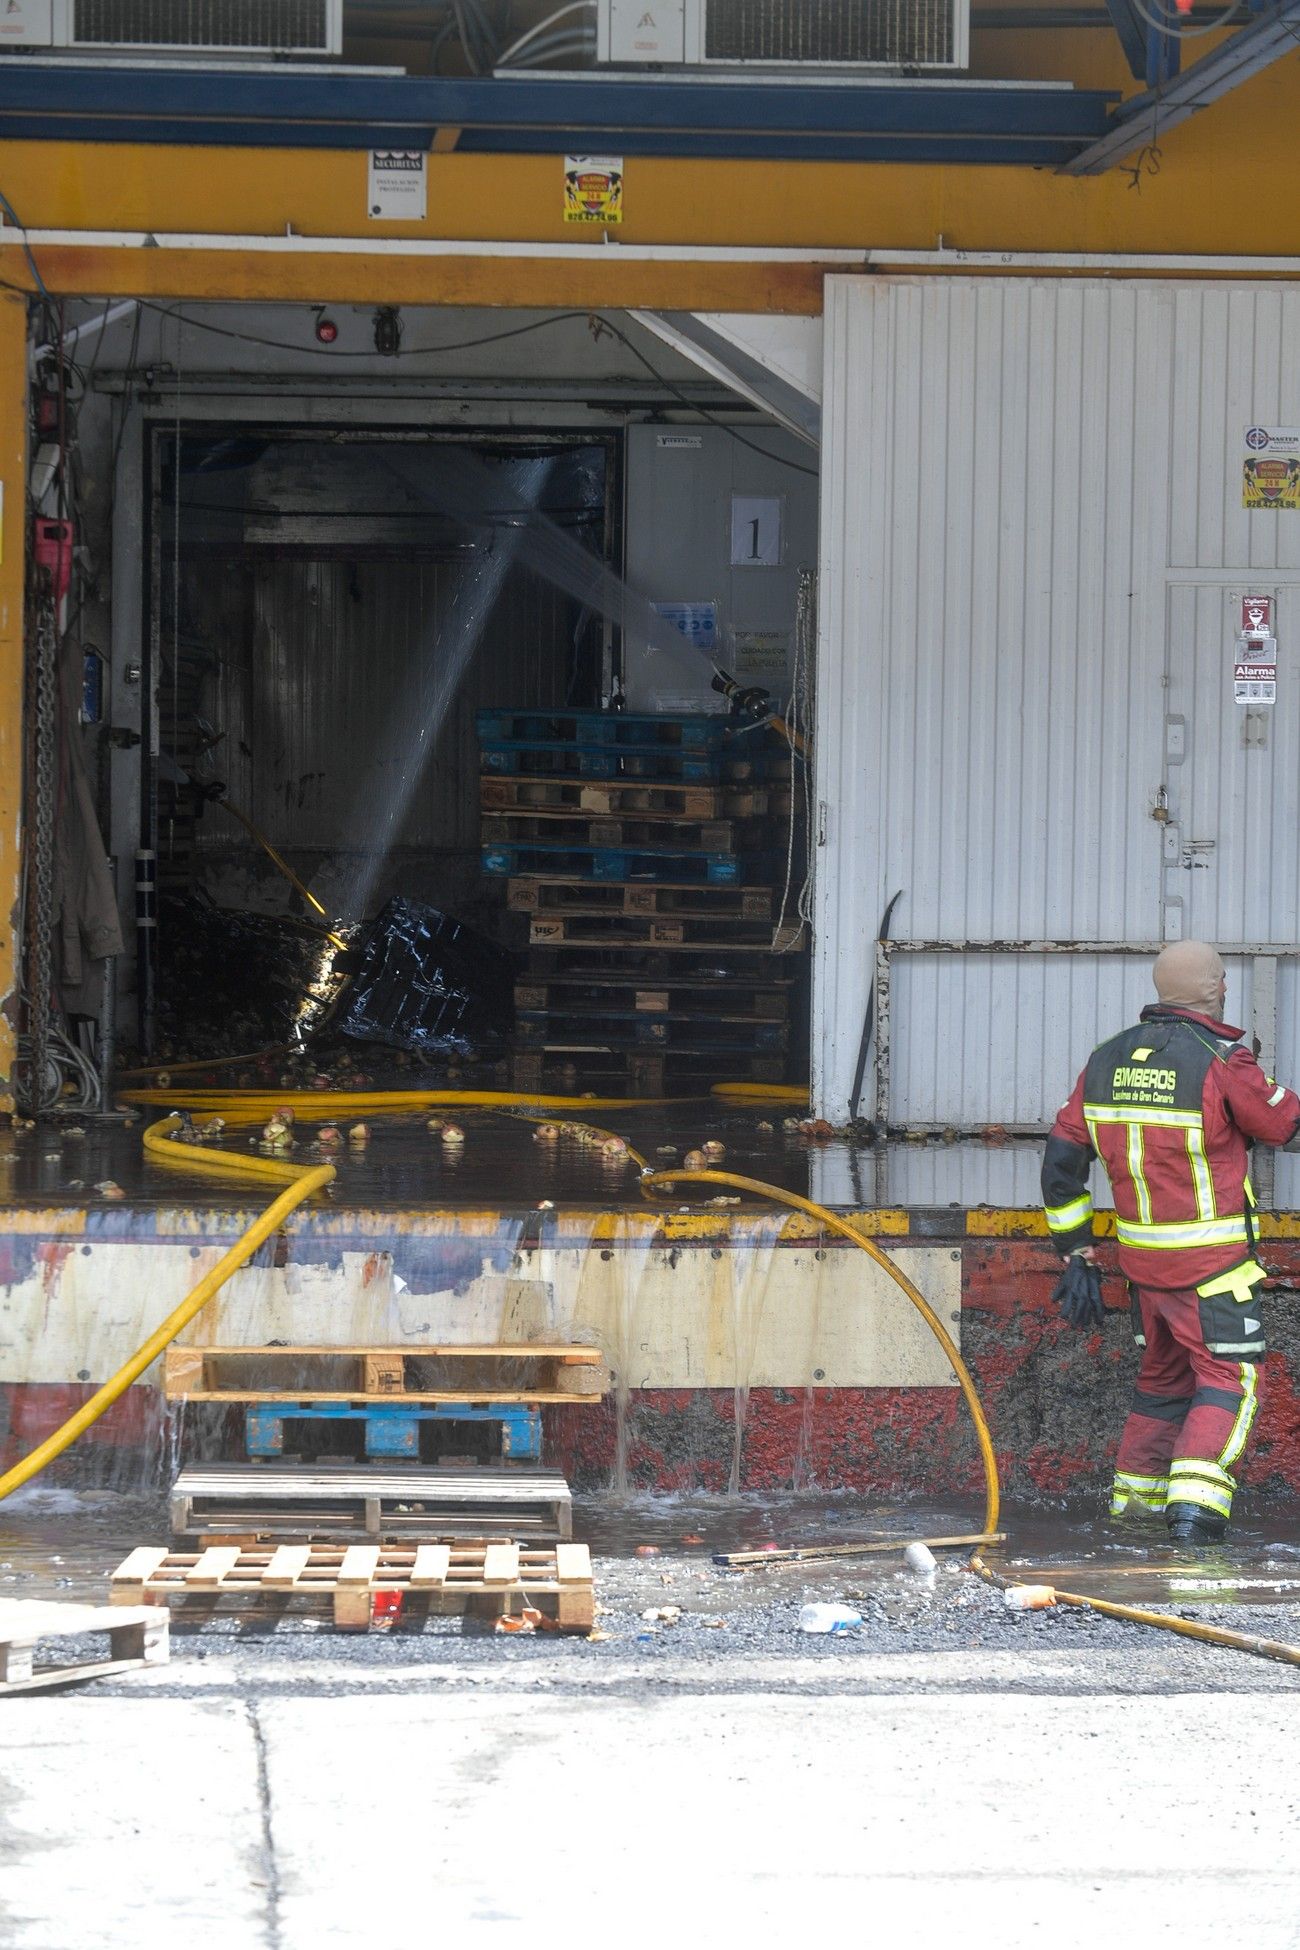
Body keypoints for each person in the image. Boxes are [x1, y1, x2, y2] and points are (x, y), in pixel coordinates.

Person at [1041, 940, 1300, 1543]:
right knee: (1229, 1378)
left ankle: (1133, 1513)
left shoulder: (1105, 1060)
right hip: (1213, 1269)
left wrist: (1076, 1251)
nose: (1227, 986)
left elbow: (1061, 1159)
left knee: (1163, 1382)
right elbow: (1283, 1125)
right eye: (1223, 978)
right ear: (1212, 988)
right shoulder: (1221, 1061)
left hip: (1143, 1272)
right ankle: (1195, 1515)